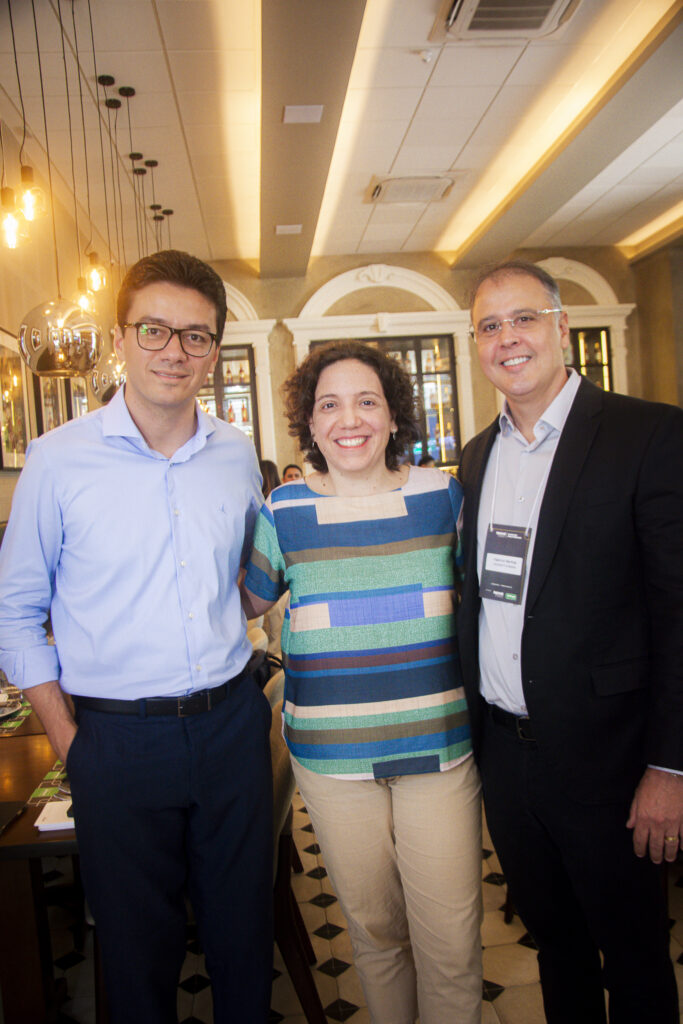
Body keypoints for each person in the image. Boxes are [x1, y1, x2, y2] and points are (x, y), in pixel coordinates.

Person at [0, 250, 273, 1024]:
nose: (173, 352)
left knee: (243, 940)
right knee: (133, 951)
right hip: (114, 742)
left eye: (195, 336)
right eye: (154, 329)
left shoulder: (234, 455)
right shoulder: (56, 461)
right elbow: (14, 612)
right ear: (121, 337)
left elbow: (247, 590)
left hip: (229, 724)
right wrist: (68, 740)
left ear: (214, 351)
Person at [457, 259, 682, 1024]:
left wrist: (669, 766)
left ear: (560, 327)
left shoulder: (646, 434)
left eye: (522, 319)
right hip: (509, 757)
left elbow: (678, 612)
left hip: (613, 763)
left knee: (635, 955)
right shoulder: (475, 456)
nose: (505, 338)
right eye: (489, 326)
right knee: (554, 945)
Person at [242, 340, 482, 1024]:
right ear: (310, 425)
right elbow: (240, 602)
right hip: (331, 758)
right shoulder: (282, 510)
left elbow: (488, 601)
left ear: (392, 414)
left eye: (366, 401)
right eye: (329, 405)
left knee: (452, 945)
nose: (349, 419)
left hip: (437, 751)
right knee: (375, 937)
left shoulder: (443, 495)